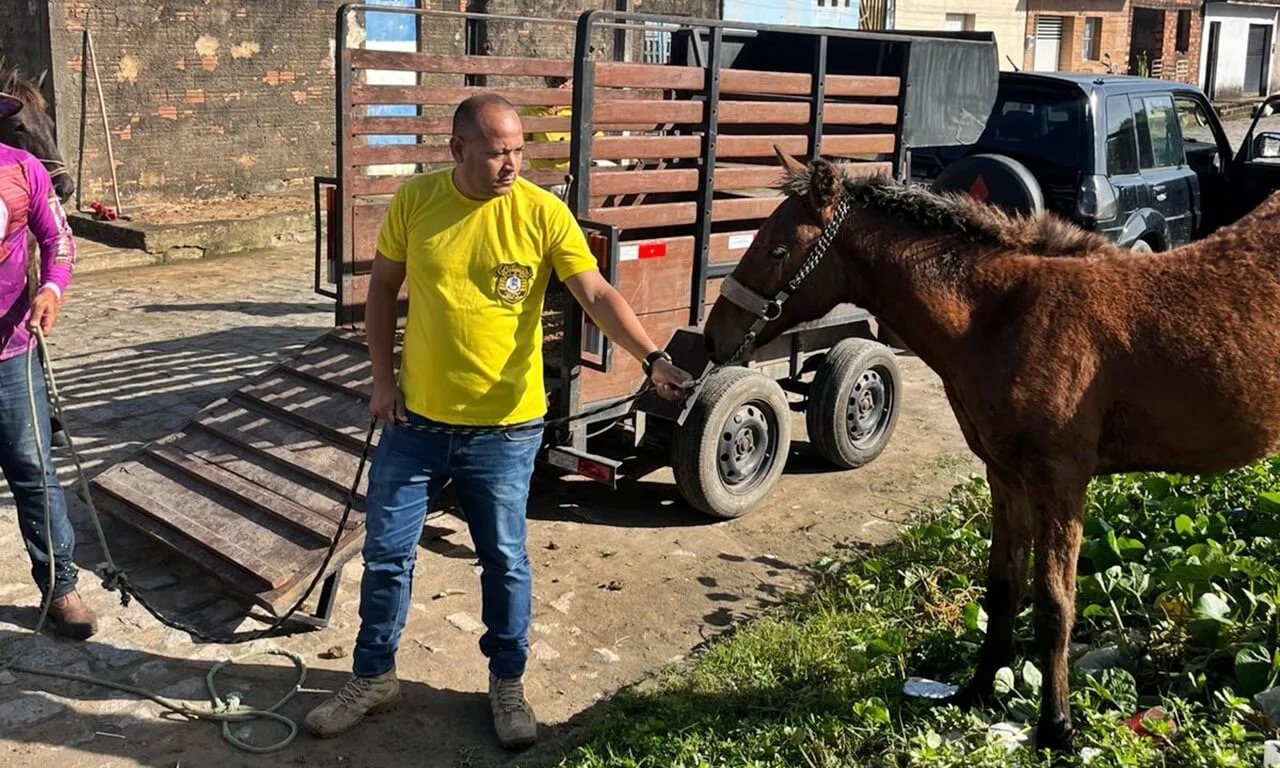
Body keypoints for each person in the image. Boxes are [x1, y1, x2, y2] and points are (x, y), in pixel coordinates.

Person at [304, 93, 694, 749]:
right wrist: (379, 379)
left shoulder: (542, 213)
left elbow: (594, 291)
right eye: (496, 152)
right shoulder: (417, 202)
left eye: (519, 150)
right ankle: (373, 677)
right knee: (386, 556)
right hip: (415, 424)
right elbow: (381, 291)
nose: (512, 164)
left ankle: (507, 686)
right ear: (458, 151)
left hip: (505, 430)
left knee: (504, 562)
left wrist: (652, 356)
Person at [0, 94, 93, 640]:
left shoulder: (22, 169)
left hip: (12, 353)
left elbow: (58, 237)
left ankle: (60, 586)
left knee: (34, 471)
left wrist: (53, 289)